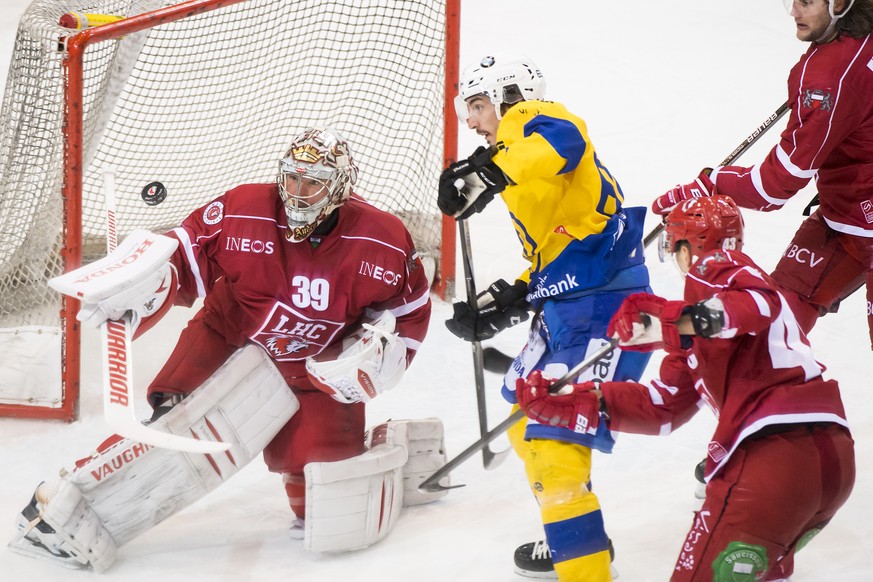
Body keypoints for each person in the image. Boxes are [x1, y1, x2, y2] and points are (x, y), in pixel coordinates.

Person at [9, 127, 444, 572]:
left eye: (312, 183)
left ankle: (394, 450)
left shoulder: (384, 238)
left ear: (339, 189)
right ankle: (64, 505)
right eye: (292, 179)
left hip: (313, 367)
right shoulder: (243, 209)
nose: (297, 193)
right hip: (228, 339)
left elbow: (409, 309)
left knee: (325, 503)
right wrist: (138, 284)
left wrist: (384, 360)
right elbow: (183, 255)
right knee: (175, 426)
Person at [516, 195, 855, 581]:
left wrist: (671, 323)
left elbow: (757, 307)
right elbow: (664, 409)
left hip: (773, 456)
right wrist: (580, 400)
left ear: (683, 245)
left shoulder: (719, 268)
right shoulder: (696, 322)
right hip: (830, 462)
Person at [438, 55, 652, 581]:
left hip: (605, 308)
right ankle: (577, 535)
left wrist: (489, 170)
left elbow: (565, 139)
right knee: (519, 410)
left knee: (553, 440)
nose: (471, 121)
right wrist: (509, 301)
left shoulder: (536, 119)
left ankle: (584, 564)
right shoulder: (521, 160)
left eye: (478, 105)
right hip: (573, 302)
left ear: (508, 96)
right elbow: (562, 249)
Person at [650, 0, 873, 349]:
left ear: (841, 4)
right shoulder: (844, 54)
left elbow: (775, 187)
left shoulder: (828, 74)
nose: (795, 12)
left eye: (808, 2)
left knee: (771, 327)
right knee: (773, 324)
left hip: (861, 215)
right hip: (848, 215)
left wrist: (711, 183)